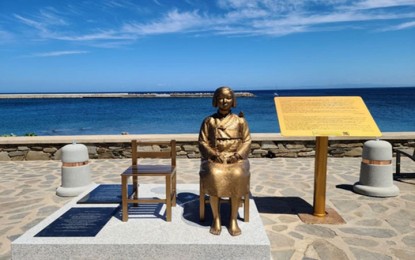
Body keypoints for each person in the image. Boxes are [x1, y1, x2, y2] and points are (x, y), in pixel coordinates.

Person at [198, 86, 251, 236]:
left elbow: (247, 141)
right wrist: (214, 155)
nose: (224, 101)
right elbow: (202, 142)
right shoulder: (209, 121)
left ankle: (233, 219)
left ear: (233, 100)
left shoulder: (240, 121)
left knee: (237, 174)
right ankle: (216, 218)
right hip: (215, 158)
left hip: (235, 158)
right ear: (216, 100)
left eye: (228, 98)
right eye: (221, 98)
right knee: (214, 174)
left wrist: (238, 155)